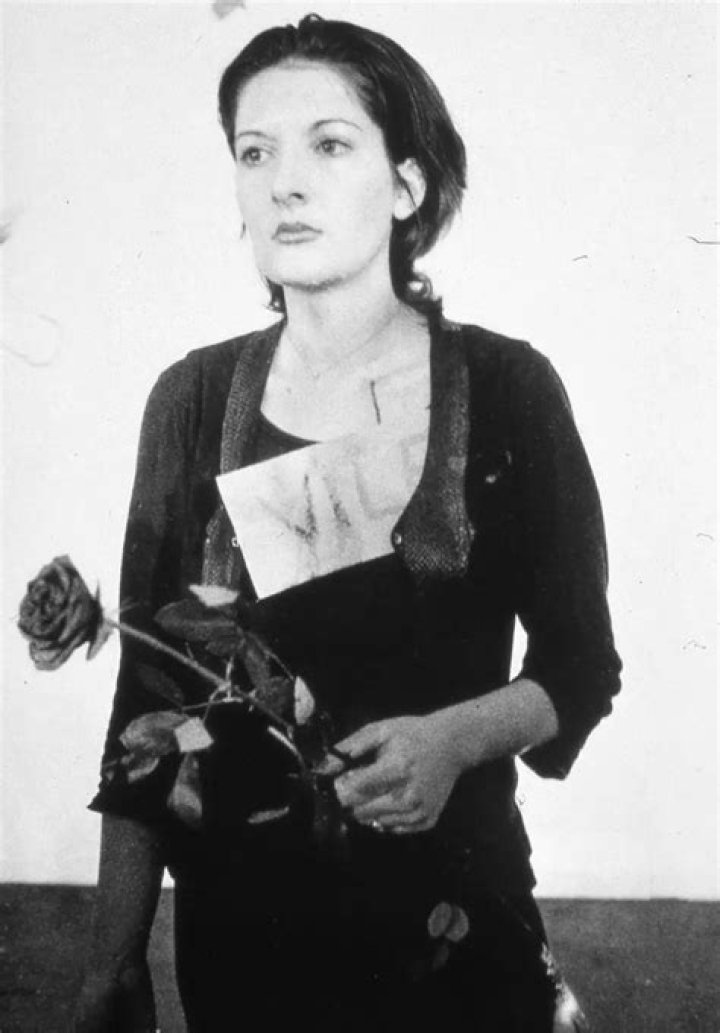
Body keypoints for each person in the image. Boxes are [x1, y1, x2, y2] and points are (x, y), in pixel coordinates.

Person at [74, 14, 621, 1032]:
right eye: (255, 152)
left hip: (456, 937)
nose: (285, 182)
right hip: (244, 954)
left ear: (407, 186)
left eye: (329, 145)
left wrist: (452, 740)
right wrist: (110, 964)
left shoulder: (509, 389)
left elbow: (582, 665)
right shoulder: (192, 402)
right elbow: (144, 707)